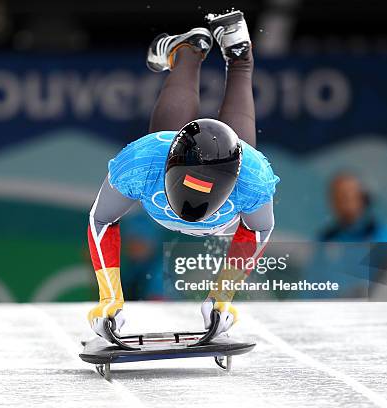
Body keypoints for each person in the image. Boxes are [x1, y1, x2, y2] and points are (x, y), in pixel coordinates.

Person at [87, 11, 280, 340]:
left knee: (241, 145)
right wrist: (110, 299)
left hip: (213, 185)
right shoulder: (142, 161)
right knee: (169, 137)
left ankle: (229, 54)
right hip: (164, 166)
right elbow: (100, 221)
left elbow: (259, 230)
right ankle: (202, 52)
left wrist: (222, 298)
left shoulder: (251, 176)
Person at [320, 172, 387, 242]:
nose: (341, 203)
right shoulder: (326, 239)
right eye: (336, 197)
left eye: (346, 196)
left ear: (363, 198)